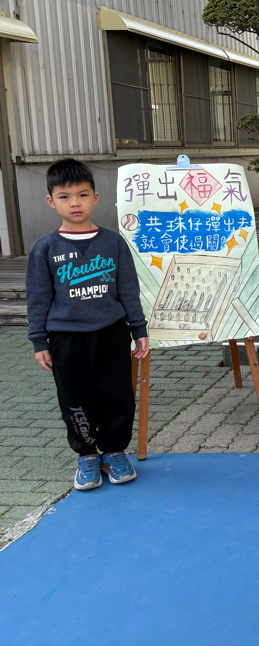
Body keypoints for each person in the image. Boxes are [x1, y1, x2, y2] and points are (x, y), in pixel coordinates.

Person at [26, 158, 150, 490]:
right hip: (66, 338)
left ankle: (114, 452)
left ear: (96, 197)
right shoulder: (45, 248)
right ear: (51, 201)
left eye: (82, 194)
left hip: (111, 333)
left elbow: (128, 289)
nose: (75, 203)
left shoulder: (113, 243)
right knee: (75, 398)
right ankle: (87, 455)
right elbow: (38, 298)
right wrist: (38, 341)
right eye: (64, 197)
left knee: (117, 395)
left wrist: (138, 329)